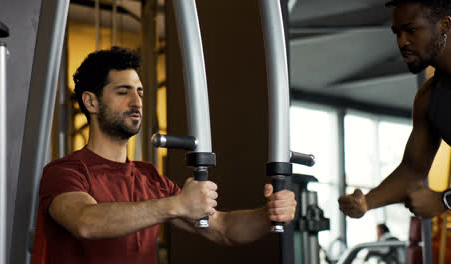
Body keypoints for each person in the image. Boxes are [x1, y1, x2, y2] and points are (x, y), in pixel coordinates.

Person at [30, 47, 297, 264]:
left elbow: (224, 229)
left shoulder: (149, 178)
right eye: (123, 92)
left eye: (140, 92)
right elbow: (86, 222)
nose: (136, 102)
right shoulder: (65, 172)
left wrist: (268, 214)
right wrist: (176, 205)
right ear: (91, 102)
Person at [339, 0, 451, 219]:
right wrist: (366, 203)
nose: (402, 42)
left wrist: (444, 200)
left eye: (411, 30)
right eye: (397, 33)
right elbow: (412, 170)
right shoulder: (428, 98)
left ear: (444, 26)